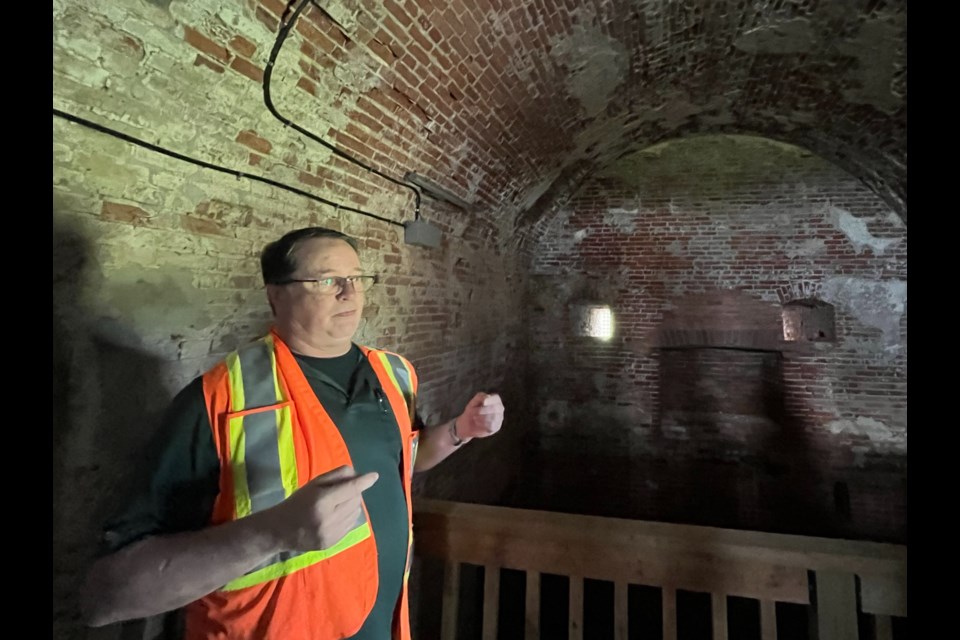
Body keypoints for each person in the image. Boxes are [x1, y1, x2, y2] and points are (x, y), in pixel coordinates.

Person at [81, 226, 505, 640]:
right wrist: (273, 532)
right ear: (276, 295)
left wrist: (459, 430)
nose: (349, 292)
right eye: (326, 280)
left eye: (357, 278)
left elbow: (401, 461)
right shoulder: (219, 398)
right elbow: (107, 596)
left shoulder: (394, 372)